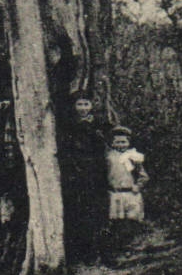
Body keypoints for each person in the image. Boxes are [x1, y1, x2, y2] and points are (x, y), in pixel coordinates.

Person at [58, 96, 108, 266]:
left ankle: (95, 252)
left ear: (92, 105)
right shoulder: (69, 125)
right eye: (79, 104)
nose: (83, 108)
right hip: (76, 172)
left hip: (94, 172)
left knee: (94, 211)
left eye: (86, 104)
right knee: (77, 212)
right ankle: (78, 253)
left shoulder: (98, 124)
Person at [105, 126, 149, 251]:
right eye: (117, 142)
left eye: (123, 142)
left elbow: (144, 176)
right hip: (115, 193)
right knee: (117, 222)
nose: (120, 145)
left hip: (130, 193)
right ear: (112, 143)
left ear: (129, 143)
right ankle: (118, 247)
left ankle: (131, 246)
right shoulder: (109, 157)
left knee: (131, 221)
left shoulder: (133, 157)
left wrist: (138, 186)